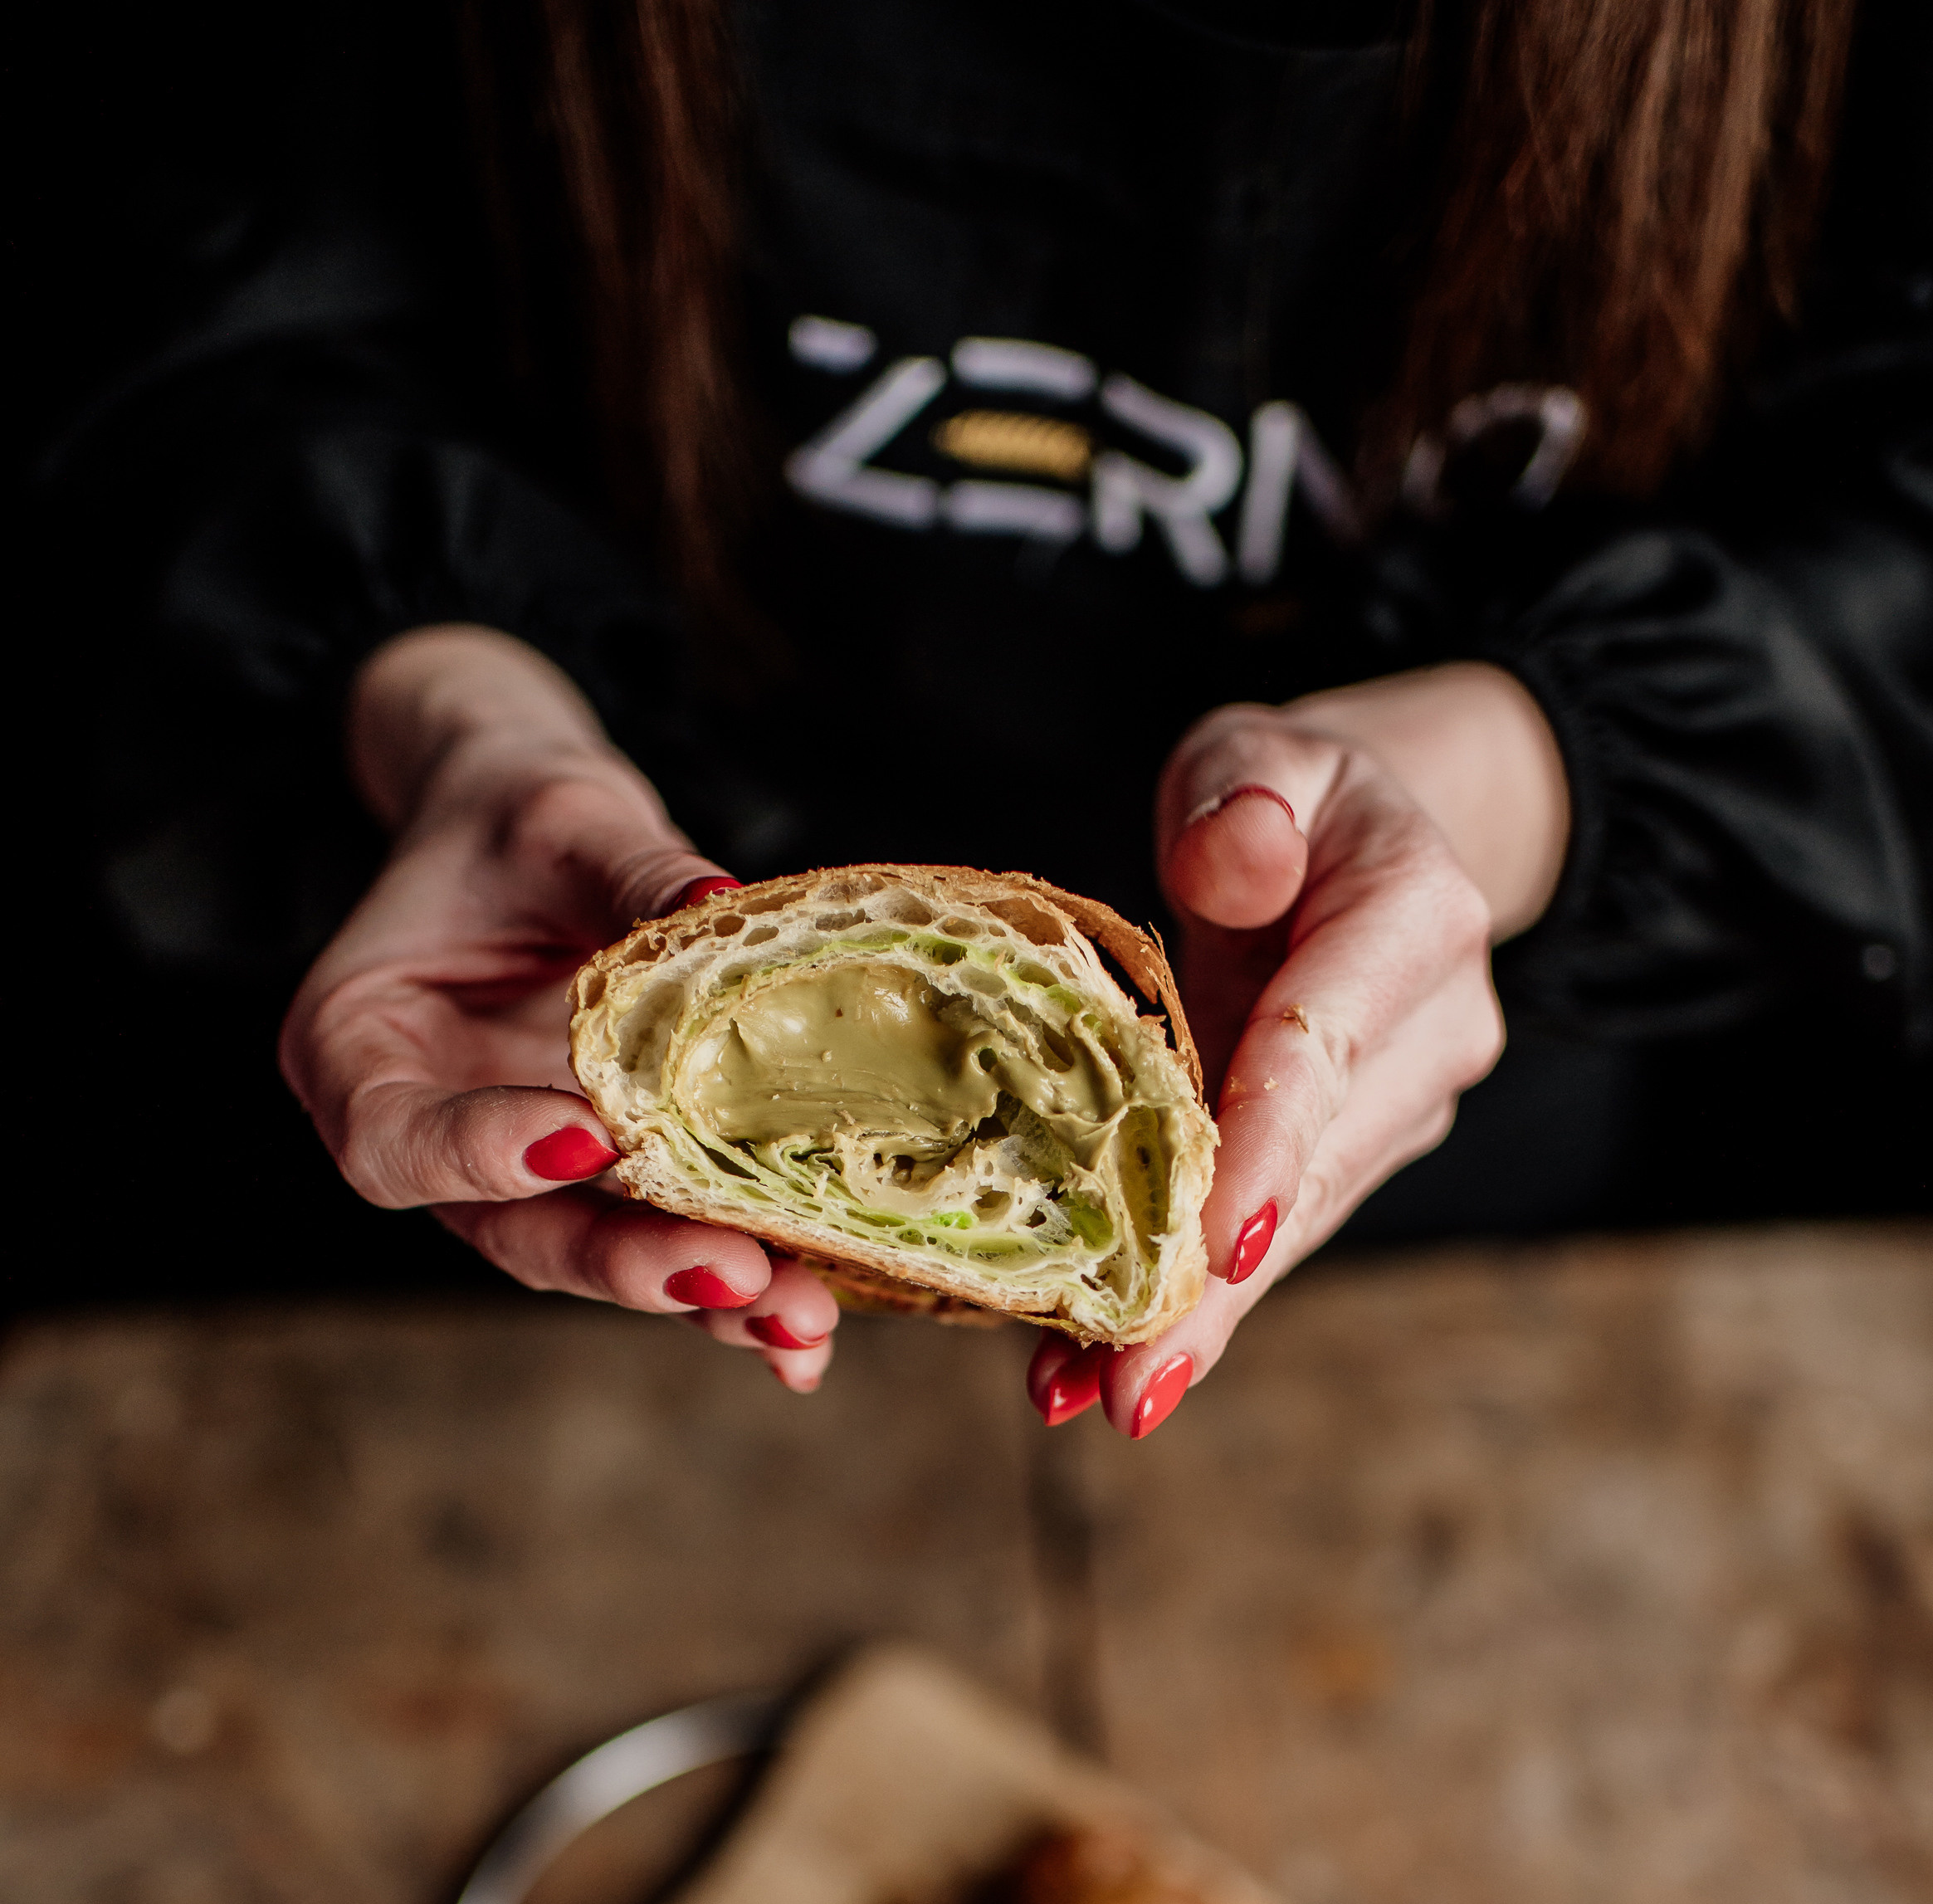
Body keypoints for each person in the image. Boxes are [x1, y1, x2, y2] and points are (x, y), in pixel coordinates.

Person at [25, 0, 1931, 1425]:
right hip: (509, 1113)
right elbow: (202, 274)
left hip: (1444, 1192)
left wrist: (1520, 772)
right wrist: (455, 713)